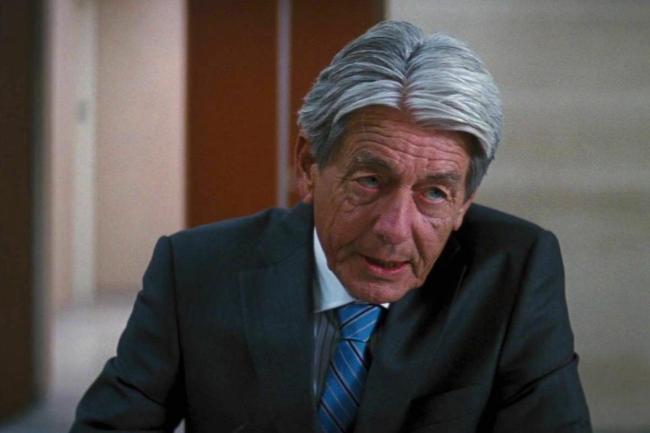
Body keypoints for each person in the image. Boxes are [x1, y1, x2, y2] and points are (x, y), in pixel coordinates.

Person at [70, 21, 591, 433]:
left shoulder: (515, 271)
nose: (394, 229)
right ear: (308, 166)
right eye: (370, 180)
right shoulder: (195, 270)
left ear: (465, 203)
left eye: (435, 193)